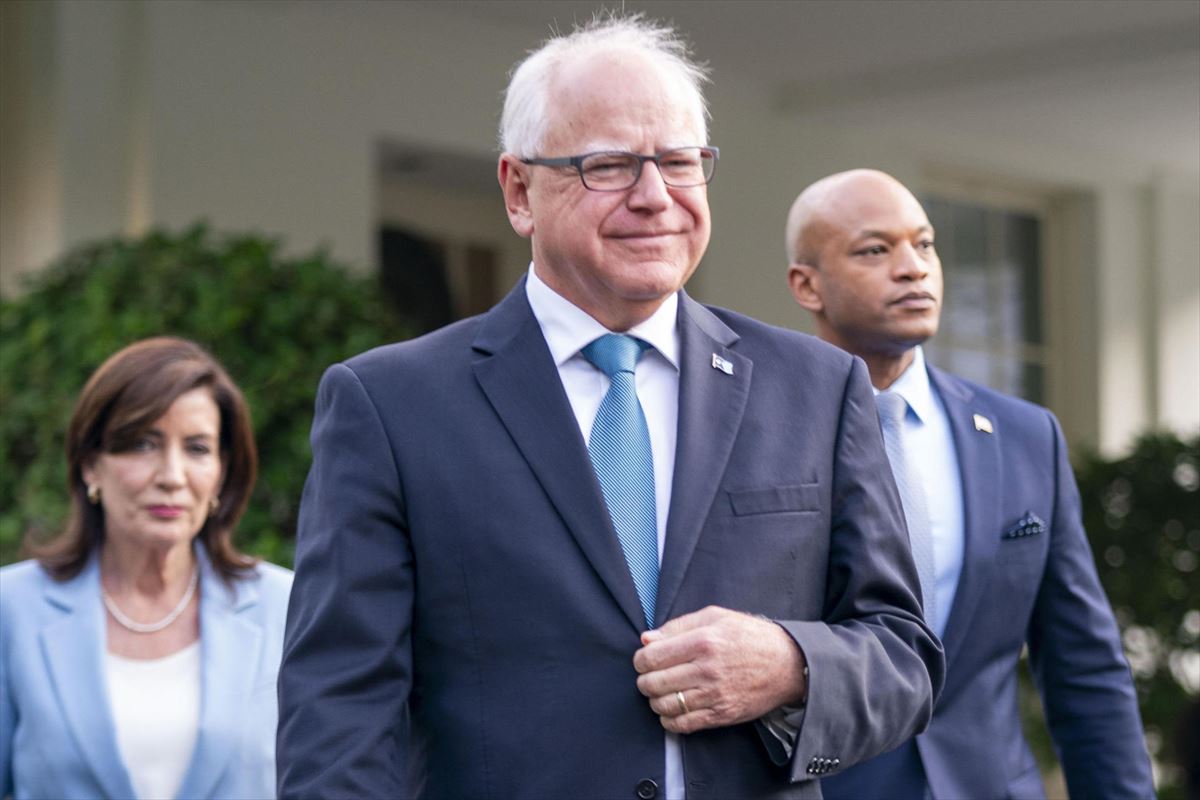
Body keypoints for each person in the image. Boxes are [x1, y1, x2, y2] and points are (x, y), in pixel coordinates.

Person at [277, 17, 942, 800]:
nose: (655, 197)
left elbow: (904, 659)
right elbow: (340, 711)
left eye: (680, 163)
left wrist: (789, 663)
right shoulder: (390, 405)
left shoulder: (818, 388)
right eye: (611, 165)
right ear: (519, 191)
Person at [785, 168, 1155, 799]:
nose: (912, 268)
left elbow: (1084, 666)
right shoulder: (765, 433)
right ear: (807, 285)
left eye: (924, 244)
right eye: (876, 250)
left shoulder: (1024, 435)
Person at [0, 337, 293, 800]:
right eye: (142, 445)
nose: (172, 476)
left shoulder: (286, 607)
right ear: (91, 465)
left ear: (222, 471)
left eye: (197, 448)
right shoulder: (11, 609)